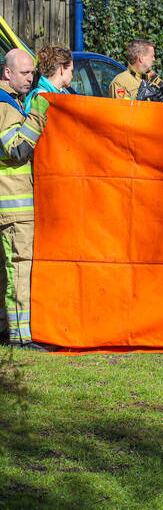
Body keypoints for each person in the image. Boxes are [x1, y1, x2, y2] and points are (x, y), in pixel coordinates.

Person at [1, 48, 58, 349]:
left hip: (12, 204)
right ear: (7, 73)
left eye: (32, 72)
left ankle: (6, 330)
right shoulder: (5, 105)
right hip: (14, 206)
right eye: (24, 73)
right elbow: (16, 150)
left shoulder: (13, 102)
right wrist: (37, 116)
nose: (30, 78)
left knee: (8, 271)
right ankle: (21, 337)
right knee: (19, 269)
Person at [24, 44, 74, 110]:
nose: (72, 76)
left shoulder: (54, 94)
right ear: (62, 69)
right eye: (71, 71)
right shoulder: (41, 97)